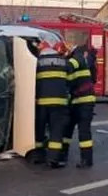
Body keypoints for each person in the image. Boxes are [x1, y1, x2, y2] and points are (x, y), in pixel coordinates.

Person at [34, 40, 72, 168]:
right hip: (59, 103)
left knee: (39, 131)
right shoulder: (63, 61)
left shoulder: (36, 62)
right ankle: (53, 159)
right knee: (56, 131)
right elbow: (70, 80)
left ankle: (38, 156)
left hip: (41, 104)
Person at [61, 38, 98, 168]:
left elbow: (69, 67)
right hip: (77, 101)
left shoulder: (77, 58)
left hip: (84, 101)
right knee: (67, 129)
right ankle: (63, 155)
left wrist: (57, 63)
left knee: (83, 132)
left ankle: (86, 160)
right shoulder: (79, 58)